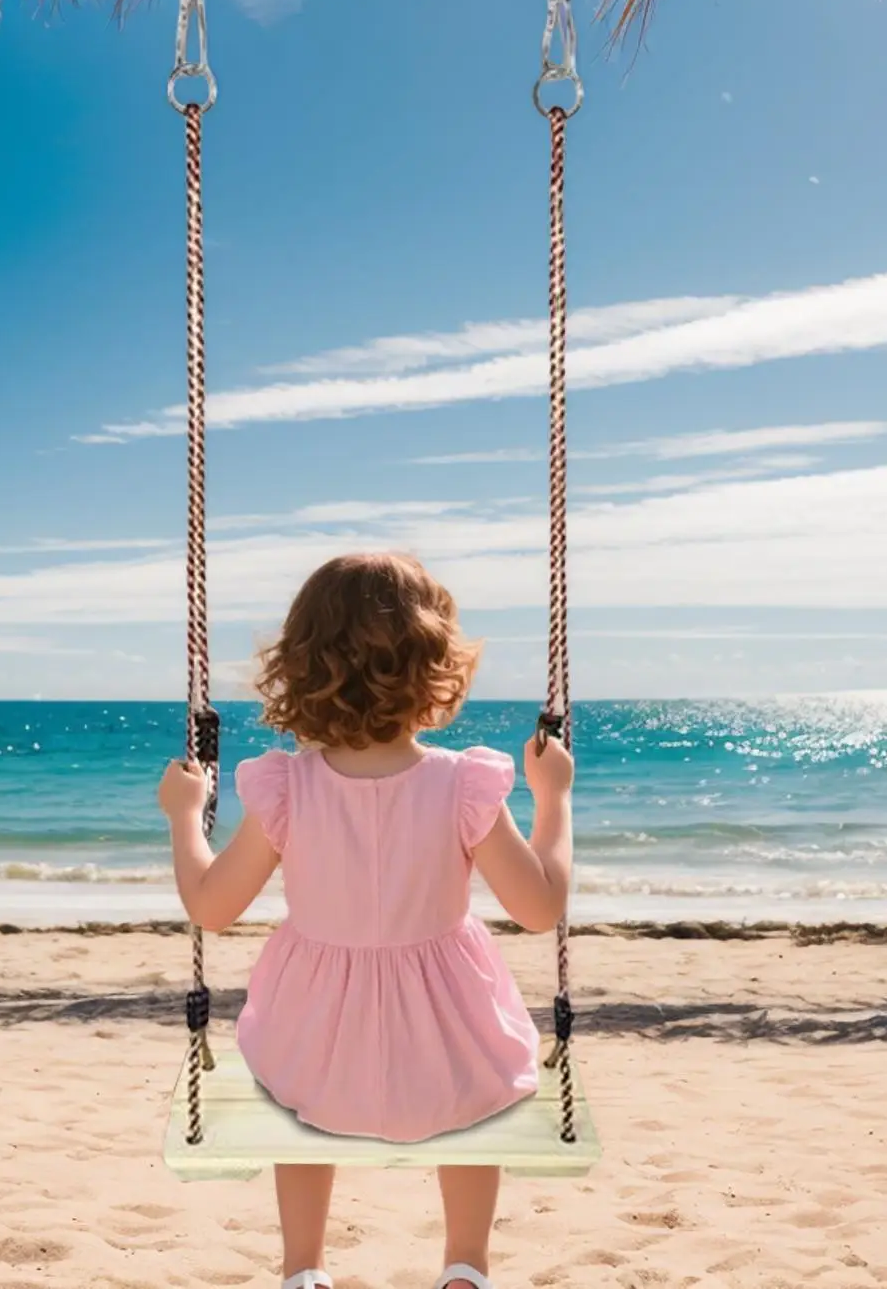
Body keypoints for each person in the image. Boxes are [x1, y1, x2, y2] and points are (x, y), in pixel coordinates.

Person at [159, 551, 575, 1289]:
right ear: (435, 666)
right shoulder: (463, 784)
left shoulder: (285, 787)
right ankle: (465, 1267)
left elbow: (211, 907)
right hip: (447, 1043)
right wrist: (552, 797)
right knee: (478, 1092)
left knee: (291, 1095)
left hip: (317, 1045)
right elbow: (539, 907)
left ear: (300, 666)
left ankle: (303, 1269)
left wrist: (186, 817)